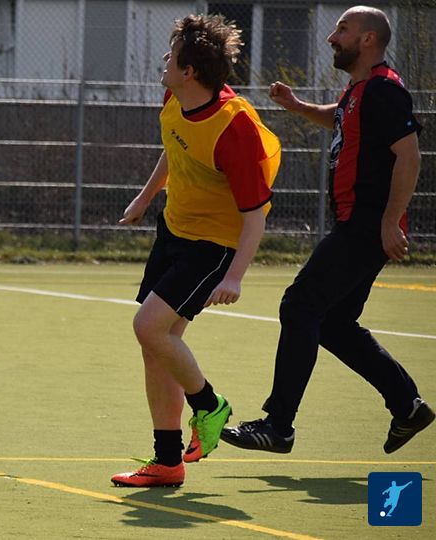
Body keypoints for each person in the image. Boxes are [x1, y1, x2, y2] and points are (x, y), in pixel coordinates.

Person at [220, 6, 433, 456]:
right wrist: (298, 107)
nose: (331, 37)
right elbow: (340, 117)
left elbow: (409, 155)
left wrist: (390, 220)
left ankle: (279, 425)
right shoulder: (360, 91)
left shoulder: (384, 90)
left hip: (365, 225)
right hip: (357, 224)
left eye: (342, 29)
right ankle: (408, 406)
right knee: (334, 324)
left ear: (368, 39)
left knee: (299, 305)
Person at [111, 14, 281, 488]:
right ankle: (168, 461)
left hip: (214, 246)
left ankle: (209, 404)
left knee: (148, 326)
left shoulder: (235, 129)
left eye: (173, 56)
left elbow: (255, 214)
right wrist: (144, 199)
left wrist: (235, 277)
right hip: (174, 231)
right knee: (156, 346)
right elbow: (176, 146)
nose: (165, 60)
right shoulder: (176, 96)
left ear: (189, 71)